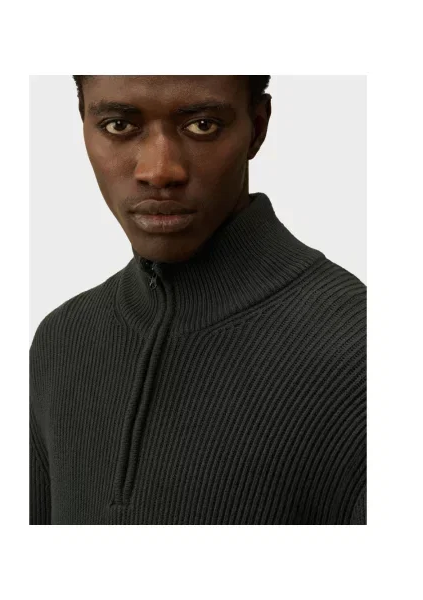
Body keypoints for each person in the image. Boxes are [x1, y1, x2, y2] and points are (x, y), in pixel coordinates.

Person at [30, 75, 366, 525]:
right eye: (118, 126)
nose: (158, 171)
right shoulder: (62, 340)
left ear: (257, 127)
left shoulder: (364, 352)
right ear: (83, 124)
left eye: (203, 125)